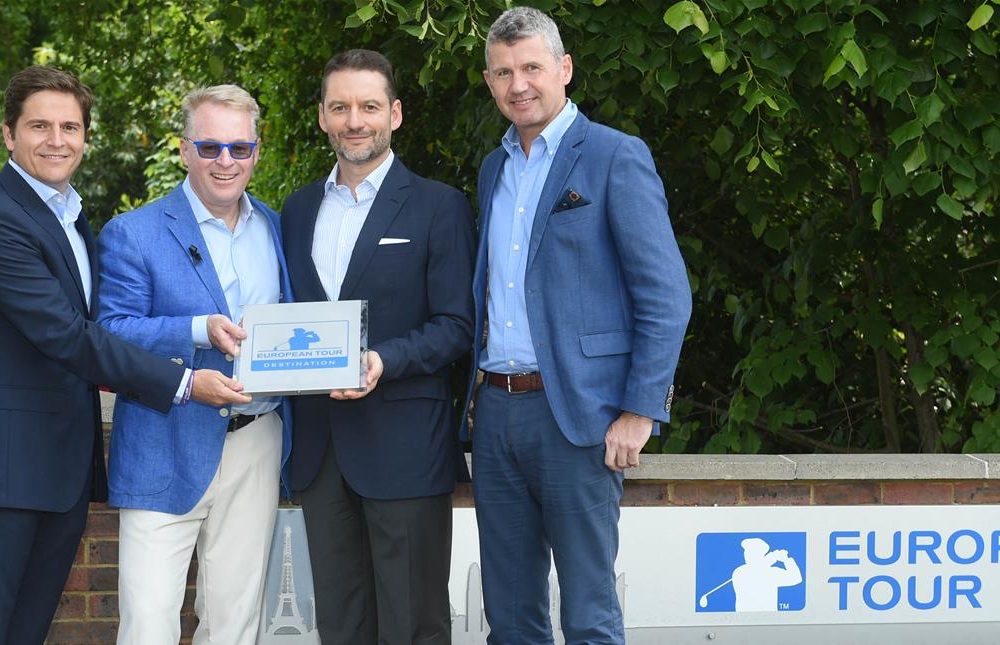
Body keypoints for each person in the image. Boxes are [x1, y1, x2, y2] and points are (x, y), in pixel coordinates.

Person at [463, 7, 692, 644]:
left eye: (532, 67)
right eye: (503, 72)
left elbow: (666, 295)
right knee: (509, 618)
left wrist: (640, 409)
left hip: (580, 416)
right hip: (497, 414)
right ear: (490, 81)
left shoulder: (615, 156)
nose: (519, 85)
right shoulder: (494, 168)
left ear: (564, 68)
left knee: (589, 615)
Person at [0, 66, 248, 645]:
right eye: (39, 126)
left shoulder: (67, 214)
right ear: (8, 134)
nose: (57, 140)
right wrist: (184, 383)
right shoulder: (7, 218)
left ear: (86, 137)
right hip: (11, 471)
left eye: (70, 127)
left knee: (26, 628)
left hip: (55, 468)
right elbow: (69, 336)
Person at [281, 49, 475, 644]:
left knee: (413, 626)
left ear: (395, 114)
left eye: (368, 106)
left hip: (405, 448)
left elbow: (457, 325)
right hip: (320, 452)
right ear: (322, 116)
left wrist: (385, 360)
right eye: (340, 107)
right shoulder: (297, 209)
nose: (354, 121)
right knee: (340, 627)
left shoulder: (439, 205)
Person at [96, 84, 293, 645]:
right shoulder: (133, 233)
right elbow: (110, 333)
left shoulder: (278, 228)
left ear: (257, 152)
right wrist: (196, 328)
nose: (225, 161)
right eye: (209, 147)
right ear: (184, 150)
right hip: (163, 442)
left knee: (235, 624)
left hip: (257, 439)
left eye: (239, 148)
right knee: (148, 624)